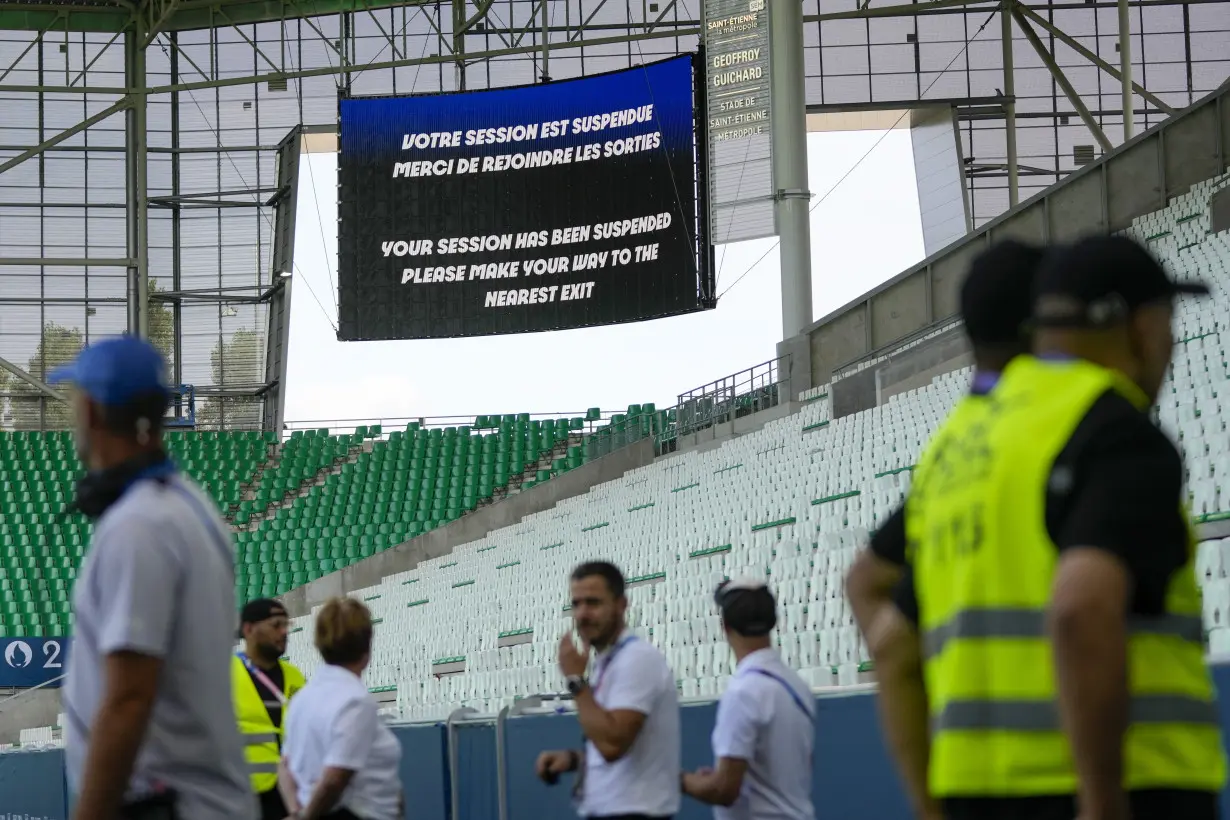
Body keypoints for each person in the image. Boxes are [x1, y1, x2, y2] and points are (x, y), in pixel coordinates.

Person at [893, 235, 1226, 820]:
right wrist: (1101, 801)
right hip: (1132, 786)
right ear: (1137, 327)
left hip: (971, 792)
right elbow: (1080, 608)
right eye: (1165, 321)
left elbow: (893, 641)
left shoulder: (954, 449)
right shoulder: (1112, 427)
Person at [844, 239, 1043, 819]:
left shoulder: (949, 453)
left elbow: (865, 587)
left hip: (966, 773)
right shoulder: (1063, 431)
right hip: (1059, 776)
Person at [53, 335, 252, 820]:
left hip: (167, 806)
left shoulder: (138, 526)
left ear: (95, 412)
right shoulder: (187, 504)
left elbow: (128, 698)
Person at [535, 561, 681, 820]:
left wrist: (575, 682)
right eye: (576, 604)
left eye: (593, 603)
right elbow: (623, 747)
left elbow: (613, 745)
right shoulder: (609, 661)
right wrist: (572, 760)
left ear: (621, 605)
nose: (582, 614)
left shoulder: (636, 659)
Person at [682, 580, 815, 820]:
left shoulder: (743, 692)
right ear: (773, 621)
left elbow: (724, 790)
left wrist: (679, 780)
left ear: (724, 626)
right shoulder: (798, 685)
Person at [280, 597, 403, 820]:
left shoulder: (302, 699)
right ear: (366, 648)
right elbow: (334, 779)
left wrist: (296, 812)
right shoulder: (355, 701)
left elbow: (284, 766)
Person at [234, 598, 308, 820]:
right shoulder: (223, 674)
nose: (284, 631)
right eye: (276, 625)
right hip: (243, 798)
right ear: (248, 629)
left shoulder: (295, 677)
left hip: (290, 798)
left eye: (287, 625)